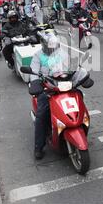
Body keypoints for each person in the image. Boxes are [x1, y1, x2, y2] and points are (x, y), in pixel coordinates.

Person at [29, 30, 68, 159]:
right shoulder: (38, 56)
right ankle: (38, 147)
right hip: (47, 88)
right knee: (42, 114)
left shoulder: (62, 53)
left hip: (63, 85)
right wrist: (35, 83)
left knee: (79, 98)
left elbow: (72, 66)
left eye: (54, 45)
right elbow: (33, 72)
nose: (52, 48)